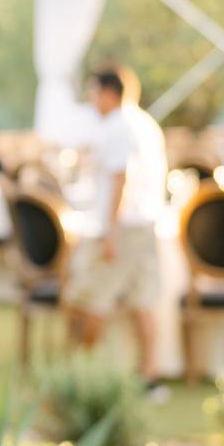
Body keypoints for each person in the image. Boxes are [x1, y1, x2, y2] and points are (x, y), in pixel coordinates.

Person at [66, 64, 168, 387]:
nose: (92, 100)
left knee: (93, 298)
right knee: (143, 300)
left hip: (121, 228)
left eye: (94, 92)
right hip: (145, 223)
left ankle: (80, 374)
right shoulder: (146, 124)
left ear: (110, 93)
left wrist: (110, 233)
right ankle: (149, 375)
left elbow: (120, 179)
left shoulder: (117, 126)